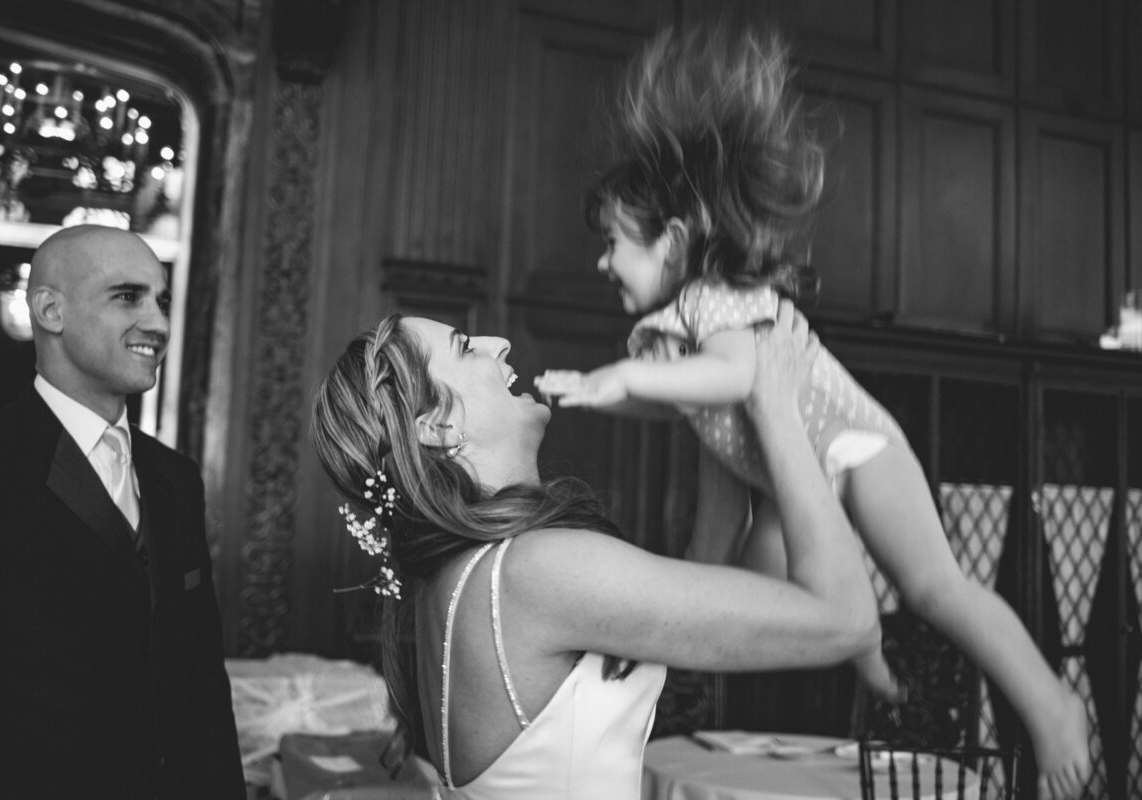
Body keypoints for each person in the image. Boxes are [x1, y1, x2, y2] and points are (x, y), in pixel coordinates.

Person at [533, 26, 1089, 800]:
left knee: (933, 585)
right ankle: (845, 645)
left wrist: (616, 377)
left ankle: (1050, 702)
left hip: (856, 446)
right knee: (763, 597)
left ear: (676, 241)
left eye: (615, 243)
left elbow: (731, 376)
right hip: (775, 468)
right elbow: (680, 408)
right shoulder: (669, 325)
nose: (602, 261)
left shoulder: (716, 299)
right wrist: (603, 394)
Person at [310, 301, 881, 799]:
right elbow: (846, 620)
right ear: (436, 423)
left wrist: (717, 417)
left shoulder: (459, 579)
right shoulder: (533, 572)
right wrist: (776, 408)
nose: (498, 343)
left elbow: (700, 604)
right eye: (465, 346)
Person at [0, 225, 245, 799]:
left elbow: (202, 684)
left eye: (161, 301)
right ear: (50, 310)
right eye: (127, 297)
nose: (157, 323)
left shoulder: (175, 480)